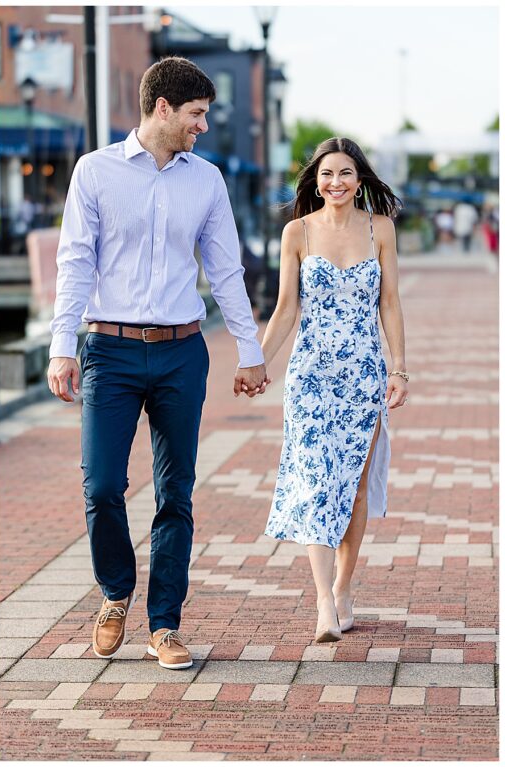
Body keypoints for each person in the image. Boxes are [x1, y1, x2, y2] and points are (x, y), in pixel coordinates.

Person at [46, 56, 268, 670]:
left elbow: (225, 270)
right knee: (101, 485)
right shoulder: (95, 172)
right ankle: (117, 591)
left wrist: (249, 352)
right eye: (196, 114)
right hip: (109, 350)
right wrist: (62, 345)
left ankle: (165, 624)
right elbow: (75, 263)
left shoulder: (208, 180)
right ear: (161, 108)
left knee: (176, 492)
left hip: (180, 351)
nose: (203, 126)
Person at [260, 137, 408, 642]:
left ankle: (344, 587)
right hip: (310, 378)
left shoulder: (380, 229)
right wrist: (256, 361)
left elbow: (390, 302)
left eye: (345, 173)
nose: (336, 182)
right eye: (327, 174)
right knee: (318, 483)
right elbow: (285, 308)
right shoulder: (296, 232)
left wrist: (399, 368)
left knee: (357, 491)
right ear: (315, 180)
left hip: (364, 375)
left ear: (360, 179)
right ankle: (324, 603)